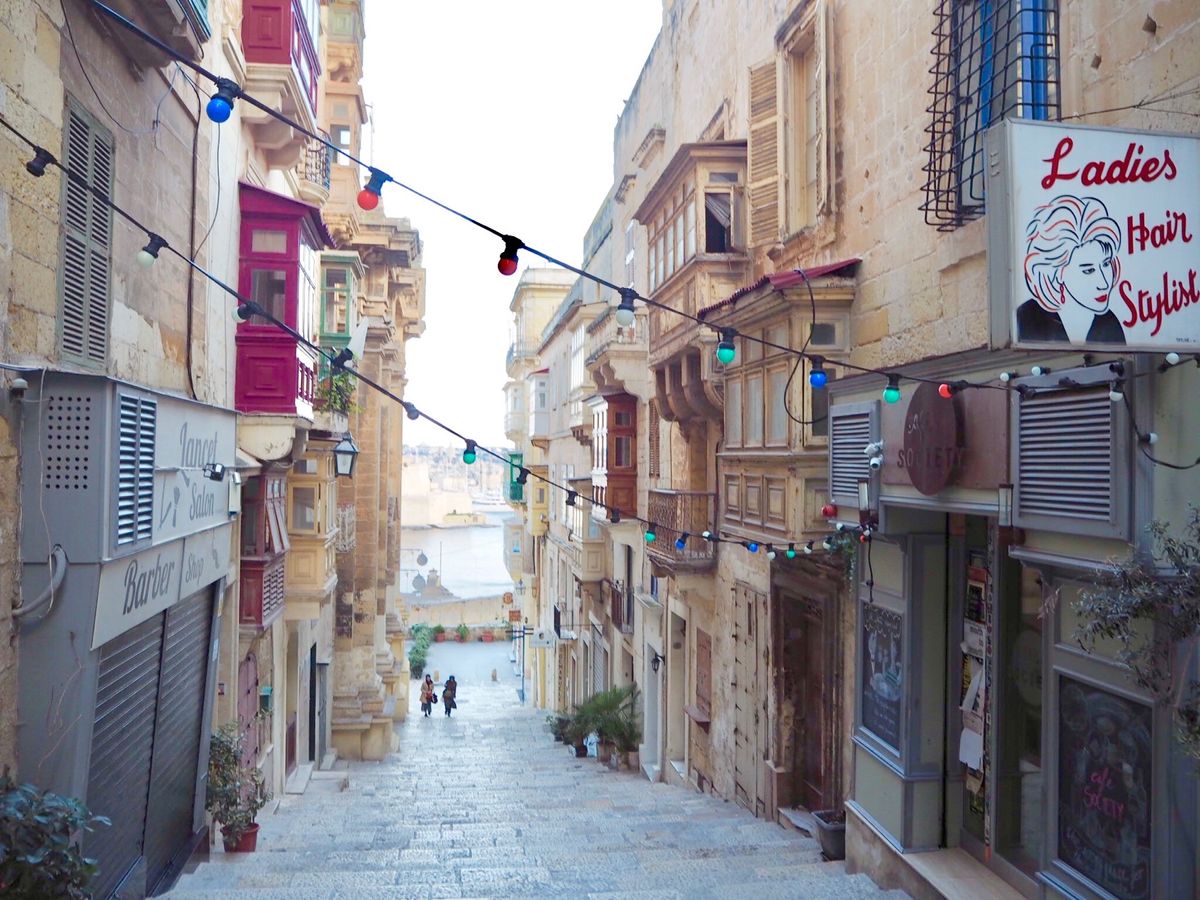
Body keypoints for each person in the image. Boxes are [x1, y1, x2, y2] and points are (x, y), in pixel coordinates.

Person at [1017, 194, 1125, 345]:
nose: (1104, 283)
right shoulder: (1027, 318)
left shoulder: (1109, 322)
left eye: (1106, 264)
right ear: (1058, 273)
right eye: (1088, 270)